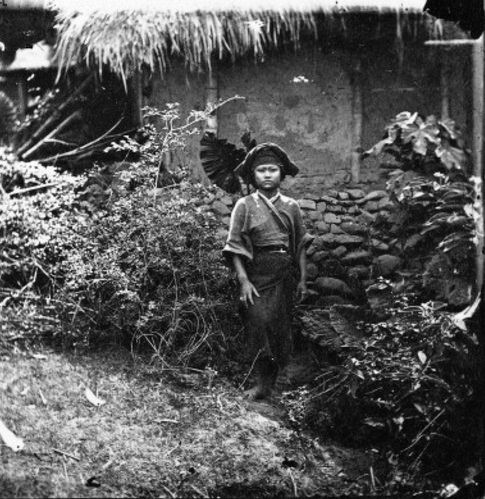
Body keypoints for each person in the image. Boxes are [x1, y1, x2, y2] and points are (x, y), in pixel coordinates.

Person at [223, 143, 313, 400]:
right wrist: (243, 280)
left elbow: (300, 245)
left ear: (281, 173)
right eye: (261, 170)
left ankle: (272, 384)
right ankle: (260, 382)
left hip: (283, 272)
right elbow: (235, 246)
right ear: (253, 175)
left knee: (279, 327)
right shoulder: (244, 205)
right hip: (256, 271)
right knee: (258, 323)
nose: (267, 174)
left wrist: (303, 280)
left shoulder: (292, 206)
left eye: (272, 169)